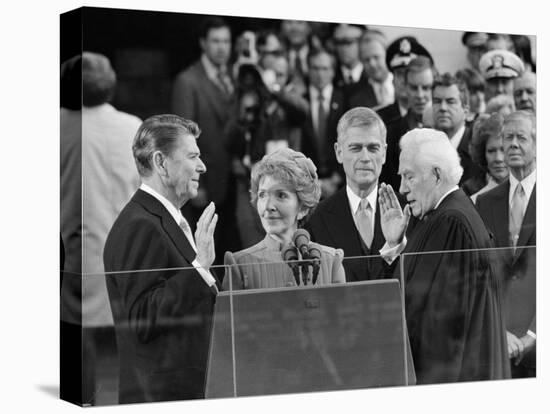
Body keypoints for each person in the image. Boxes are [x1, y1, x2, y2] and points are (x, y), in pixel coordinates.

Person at [378, 128, 510, 384]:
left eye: (409, 177)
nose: (403, 188)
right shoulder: (444, 214)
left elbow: (436, 325)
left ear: (436, 175)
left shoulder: (451, 222)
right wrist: (395, 243)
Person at [104, 115, 219, 404]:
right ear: (161, 162)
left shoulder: (165, 217)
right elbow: (142, 320)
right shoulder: (139, 225)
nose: (202, 166)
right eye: (193, 156)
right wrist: (199, 268)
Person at [60, 52, 143, 404]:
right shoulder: (132, 127)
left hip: (75, 252)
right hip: (128, 253)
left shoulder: (56, 126)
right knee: (129, 338)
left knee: (80, 341)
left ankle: (84, 401)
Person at [223, 148, 345, 290]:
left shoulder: (330, 260)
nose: (268, 206)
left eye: (281, 195)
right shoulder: (239, 264)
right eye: (262, 195)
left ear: (303, 208)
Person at [171, 16, 238, 262]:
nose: (222, 47)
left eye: (226, 41)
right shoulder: (187, 81)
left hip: (237, 180)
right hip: (207, 181)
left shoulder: (235, 76)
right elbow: (182, 137)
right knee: (209, 250)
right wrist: (193, 180)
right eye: (216, 41)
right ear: (203, 43)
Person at [305, 107, 399, 282]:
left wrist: (394, 246)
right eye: (356, 148)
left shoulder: (408, 213)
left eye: (373, 148)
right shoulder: (317, 218)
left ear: (384, 153)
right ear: (339, 152)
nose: (365, 157)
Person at [476, 110, 536, 378]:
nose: (512, 144)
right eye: (507, 137)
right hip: (499, 346)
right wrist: (499, 331)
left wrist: (533, 336)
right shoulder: (485, 202)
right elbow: (479, 274)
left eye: (521, 137)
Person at [383, 55, 436, 190]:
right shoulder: (390, 134)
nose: (420, 95)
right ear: (405, 87)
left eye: (426, 88)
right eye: (414, 88)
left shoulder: (445, 129)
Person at [301, 49, 346, 198]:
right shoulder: (300, 100)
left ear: (333, 71)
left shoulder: (345, 99)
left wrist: (336, 179)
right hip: (307, 186)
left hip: (340, 184)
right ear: (308, 70)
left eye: (325, 68)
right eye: (315, 68)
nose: (320, 74)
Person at [431, 73, 482, 185]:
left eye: (450, 102)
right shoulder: (425, 148)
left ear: (466, 110)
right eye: (437, 101)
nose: (443, 108)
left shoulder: (479, 150)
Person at [377, 36, 433, 125]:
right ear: (393, 80)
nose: (404, 80)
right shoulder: (379, 120)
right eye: (400, 73)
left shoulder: (438, 118)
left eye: (410, 74)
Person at [463, 113, 508, 201]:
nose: (498, 158)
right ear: (483, 153)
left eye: (503, 150)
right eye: (491, 151)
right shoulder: (469, 191)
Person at [360, 31, 394, 109]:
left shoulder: (404, 85)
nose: (372, 64)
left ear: (387, 54)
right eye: (366, 60)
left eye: (376, 57)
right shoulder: (354, 96)